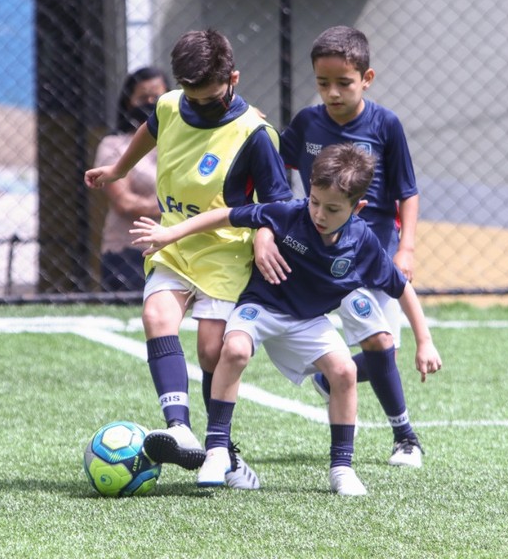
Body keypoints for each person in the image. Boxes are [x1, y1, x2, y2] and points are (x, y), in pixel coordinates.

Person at [130, 143, 442, 496]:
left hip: (307, 320)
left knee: (345, 371)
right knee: (233, 350)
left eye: (333, 208)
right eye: (314, 201)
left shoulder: (362, 242)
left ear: (358, 208)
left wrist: (424, 341)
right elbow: (226, 215)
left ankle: (342, 468)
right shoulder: (288, 213)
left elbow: (402, 287)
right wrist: (169, 234)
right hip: (261, 307)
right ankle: (216, 449)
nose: (319, 214)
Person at [84, 29, 292, 489]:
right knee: (156, 314)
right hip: (173, 240)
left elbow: (280, 203)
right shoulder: (171, 105)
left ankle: (224, 452)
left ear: (233, 80)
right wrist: (118, 169)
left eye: (210, 99)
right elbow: (151, 129)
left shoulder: (255, 134)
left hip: (224, 251)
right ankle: (179, 427)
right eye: (191, 98)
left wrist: (263, 234)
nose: (198, 107)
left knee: (210, 351)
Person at [253, 25, 427, 467]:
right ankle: (405, 437)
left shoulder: (386, 124)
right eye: (322, 83)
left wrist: (405, 249)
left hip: (370, 253)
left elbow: (407, 191)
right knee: (381, 342)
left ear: (366, 79)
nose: (332, 93)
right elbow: (275, 171)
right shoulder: (308, 122)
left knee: (383, 347)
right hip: (313, 252)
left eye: (343, 83)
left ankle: (341, 389)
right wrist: (267, 227)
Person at [93, 67, 169, 292]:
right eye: (143, 97)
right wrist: (175, 206)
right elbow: (124, 203)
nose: (150, 102)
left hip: (176, 248)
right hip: (130, 252)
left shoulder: (180, 143)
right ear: (128, 102)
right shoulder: (113, 146)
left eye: (156, 97)